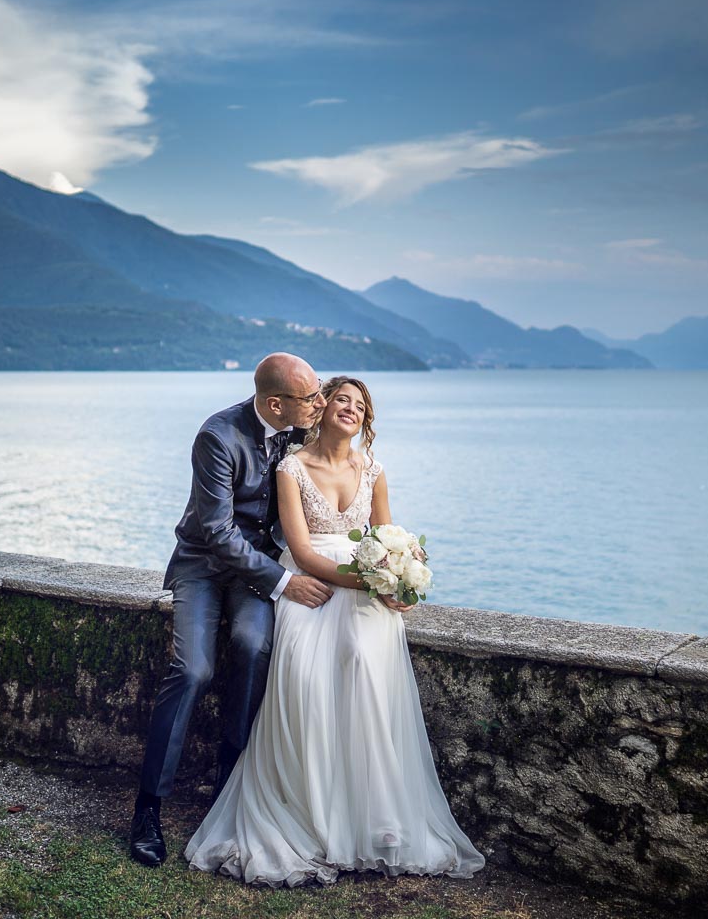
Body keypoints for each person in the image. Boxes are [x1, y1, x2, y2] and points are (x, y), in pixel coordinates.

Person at [182, 375, 485, 885]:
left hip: (364, 594)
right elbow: (300, 551)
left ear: (367, 420)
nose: (350, 408)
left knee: (366, 667)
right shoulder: (291, 468)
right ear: (320, 409)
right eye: (341, 399)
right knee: (306, 675)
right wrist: (366, 580)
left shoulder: (374, 470)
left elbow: (389, 536)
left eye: (360, 405)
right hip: (314, 584)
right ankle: (310, 815)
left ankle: (375, 823)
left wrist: (398, 583)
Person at [130, 353, 334, 868]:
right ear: (274, 403)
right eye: (310, 397)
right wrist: (286, 581)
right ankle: (148, 808)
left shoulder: (300, 428)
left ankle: (230, 789)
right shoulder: (217, 436)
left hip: (256, 569)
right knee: (193, 669)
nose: (319, 403)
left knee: (252, 644)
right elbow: (217, 532)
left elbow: (335, 476)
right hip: (203, 565)